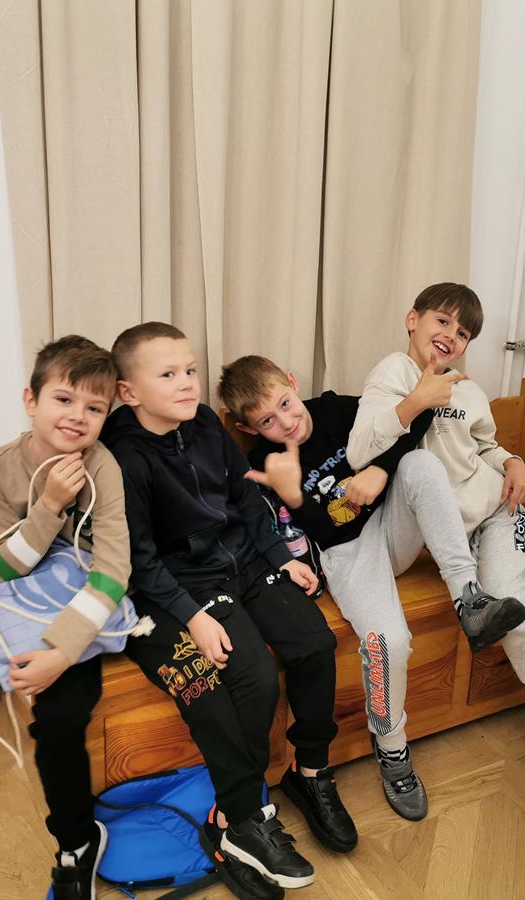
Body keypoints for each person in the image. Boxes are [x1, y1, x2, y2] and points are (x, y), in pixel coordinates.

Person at [100, 322, 354, 895]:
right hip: (187, 583)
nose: (186, 383)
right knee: (253, 676)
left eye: (190, 370)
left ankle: (309, 771)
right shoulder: (123, 458)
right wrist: (193, 615)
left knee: (315, 643)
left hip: (244, 560)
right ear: (128, 391)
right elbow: (139, 560)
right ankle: (242, 814)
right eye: (168, 374)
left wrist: (280, 556)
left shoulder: (205, 423)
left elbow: (246, 497)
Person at [219, 356, 524, 821]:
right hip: (347, 554)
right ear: (247, 427)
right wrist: (296, 495)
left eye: (284, 403)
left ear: (293, 383)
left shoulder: (336, 410)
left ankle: (470, 598)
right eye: (267, 421)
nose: (285, 421)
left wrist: (380, 469)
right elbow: (322, 529)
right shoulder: (264, 464)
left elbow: (419, 417)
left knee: (419, 463)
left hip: (394, 523)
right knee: (388, 643)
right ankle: (391, 746)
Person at [346, 283, 525, 802]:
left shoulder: (467, 390)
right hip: (452, 535)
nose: (451, 336)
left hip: (497, 513)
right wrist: (417, 400)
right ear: (413, 319)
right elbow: (360, 451)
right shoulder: (393, 373)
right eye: (442, 321)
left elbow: (485, 446)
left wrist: (513, 461)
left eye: (463, 332)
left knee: (517, 606)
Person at [0, 335, 135, 899]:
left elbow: (113, 568)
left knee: (71, 703)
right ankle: (76, 839)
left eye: (94, 408)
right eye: (63, 400)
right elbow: (2, 567)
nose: (77, 417)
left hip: (88, 603)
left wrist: (63, 652)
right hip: (30, 595)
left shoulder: (104, 465)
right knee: (58, 720)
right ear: (31, 399)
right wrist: (48, 507)